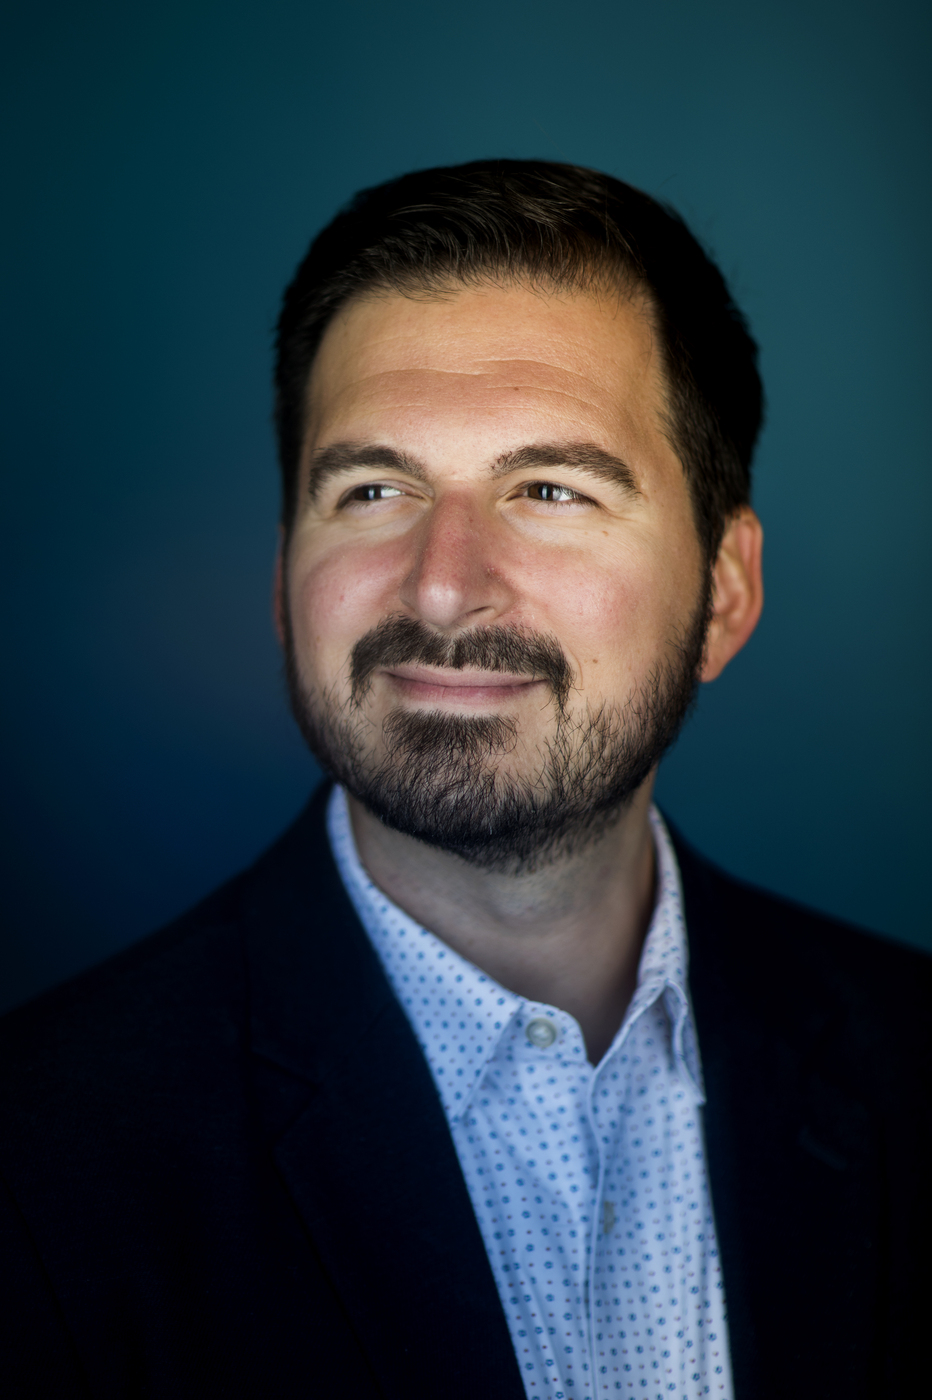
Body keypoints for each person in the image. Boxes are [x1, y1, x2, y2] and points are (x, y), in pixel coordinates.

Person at [0, 161, 927, 1400]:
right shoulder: (36, 1162)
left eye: (548, 490)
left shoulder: (910, 1062)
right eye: (373, 489)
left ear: (724, 589)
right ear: (285, 576)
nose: (441, 584)